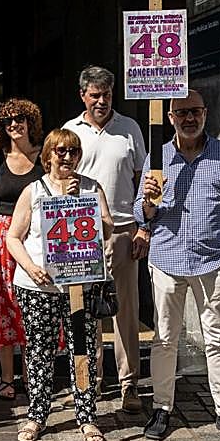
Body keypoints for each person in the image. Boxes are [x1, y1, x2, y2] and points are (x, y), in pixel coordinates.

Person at [135, 91, 220, 441]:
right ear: (170, 117)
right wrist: (147, 202)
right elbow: (143, 213)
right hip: (167, 258)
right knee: (164, 339)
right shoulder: (158, 159)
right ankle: (162, 408)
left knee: (218, 338)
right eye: (182, 113)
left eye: (196, 112)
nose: (189, 119)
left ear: (205, 114)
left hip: (214, 261)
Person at [6, 128, 113, 441]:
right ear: (48, 155)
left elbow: (107, 227)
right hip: (38, 286)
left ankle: (86, 415)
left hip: (79, 283)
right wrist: (31, 267)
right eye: (61, 151)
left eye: (74, 151)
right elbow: (13, 237)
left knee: (82, 349)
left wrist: (83, 203)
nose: (67, 157)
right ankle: (36, 414)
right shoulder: (33, 190)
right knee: (40, 352)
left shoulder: (92, 187)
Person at [63, 66, 148, 413]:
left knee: (125, 313)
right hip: (82, 235)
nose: (101, 101)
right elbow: (57, 176)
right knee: (85, 313)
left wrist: (144, 227)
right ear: (83, 95)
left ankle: (129, 385)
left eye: (107, 95)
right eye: (95, 95)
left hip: (124, 231)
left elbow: (144, 180)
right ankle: (90, 383)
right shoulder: (70, 131)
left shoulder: (129, 129)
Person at [0, 98, 44, 400]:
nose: (14, 125)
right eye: (7, 121)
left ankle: (34, 375)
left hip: (35, 234)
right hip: (2, 236)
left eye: (19, 119)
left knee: (33, 303)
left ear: (31, 121)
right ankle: (7, 377)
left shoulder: (44, 156)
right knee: (4, 306)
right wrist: (3, 224)